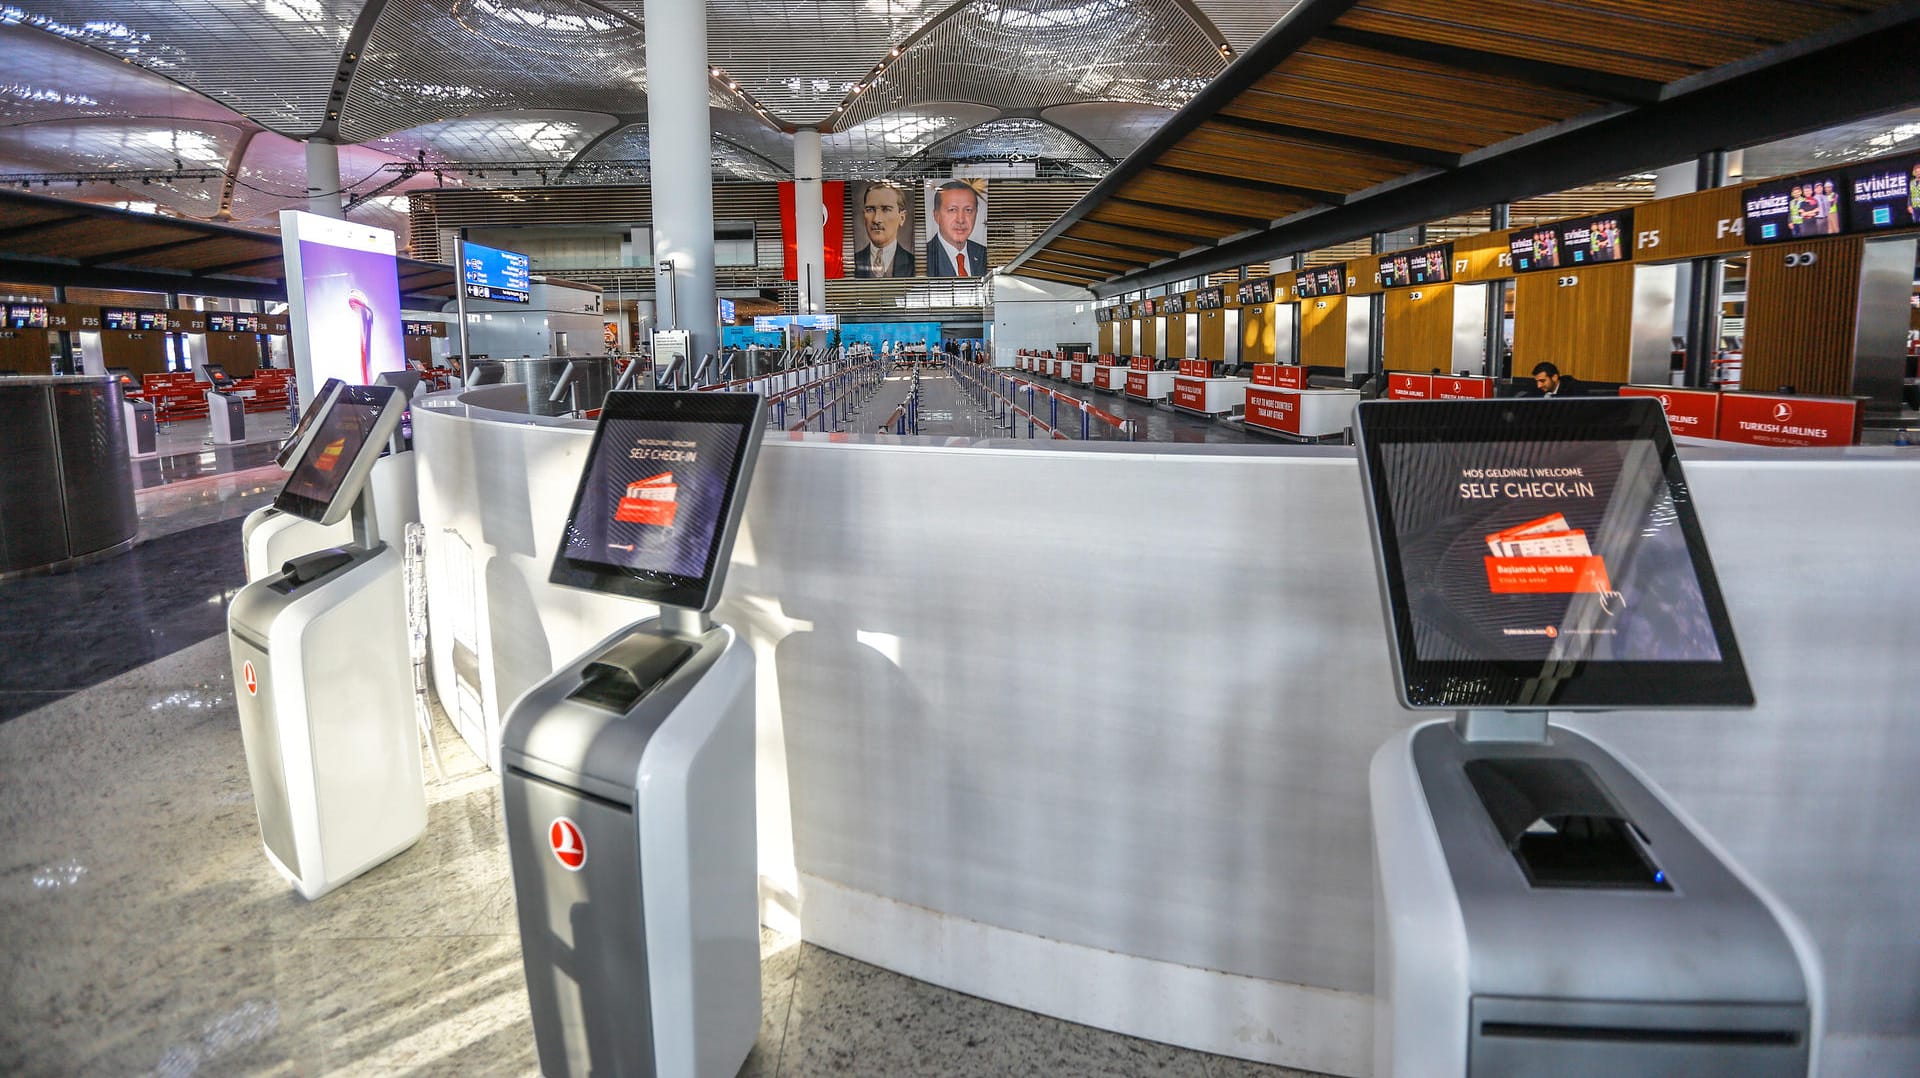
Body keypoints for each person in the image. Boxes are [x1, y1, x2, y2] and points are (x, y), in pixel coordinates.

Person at [852, 181, 914, 278]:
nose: (876, 219)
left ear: (902, 218)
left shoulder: (914, 264)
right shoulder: (852, 262)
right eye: (870, 210)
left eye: (886, 209)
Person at [926, 180, 987, 278]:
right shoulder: (923, 259)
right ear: (936, 216)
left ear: (976, 214)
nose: (961, 220)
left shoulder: (984, 255)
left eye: (968, 210)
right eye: (952, 210)